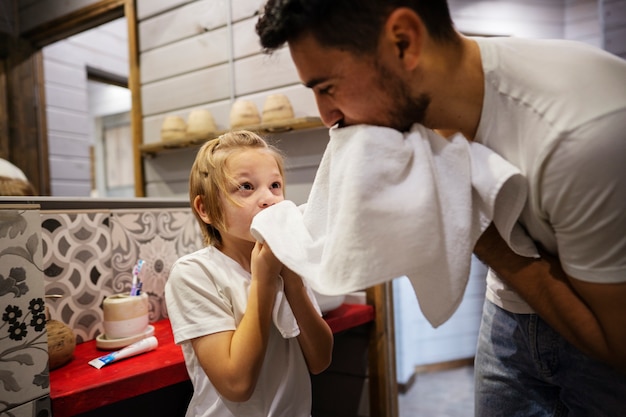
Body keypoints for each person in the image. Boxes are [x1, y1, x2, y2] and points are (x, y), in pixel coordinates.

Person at [255, 1, 626, 416]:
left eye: (327, 87)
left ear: (403, 42)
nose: (328, 116)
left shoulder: (583, 137)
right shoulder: (419, 107)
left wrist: (477, 231)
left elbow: (616, 343)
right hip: (507, 309)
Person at [164, 130, 333, 417]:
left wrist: (292, 280)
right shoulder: (195, 274)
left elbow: (320, 360)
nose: (268, 198)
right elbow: (237, 384)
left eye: (275, 185)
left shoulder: (287, 259)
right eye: (245, 186)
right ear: (205, 209)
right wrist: (264, 282)